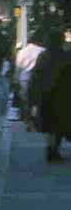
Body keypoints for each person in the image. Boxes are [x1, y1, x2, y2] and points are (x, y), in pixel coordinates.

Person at [27, 29, 71, 162]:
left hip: (45, 97)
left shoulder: (43, 56)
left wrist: (32, 99)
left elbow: (35, 78)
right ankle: (54, 151)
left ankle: (50, 150)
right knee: (59, 125)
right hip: (62, 97)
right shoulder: (66, 56)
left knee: (50, 126)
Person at [14, 29, 45, 120]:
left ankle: (27, 118)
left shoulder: (22, 52)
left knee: (25, 99)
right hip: (38, 79)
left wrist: (15, 80)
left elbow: (18, 68)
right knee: (36, 99)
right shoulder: (42, 51)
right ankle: (34, 116)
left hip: (24, 79)